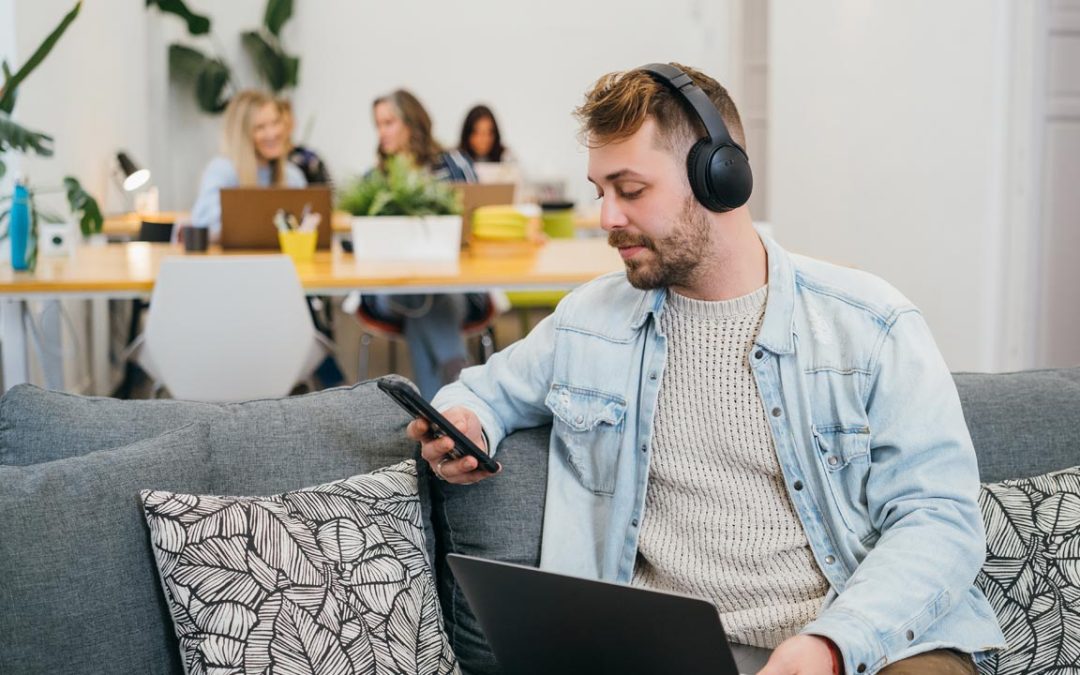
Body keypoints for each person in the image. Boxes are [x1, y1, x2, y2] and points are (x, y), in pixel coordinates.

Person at [409, 63, 1005, 675]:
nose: (607, 218)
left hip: (861, 646)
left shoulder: (871, 326)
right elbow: (483, 392)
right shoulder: (589, 321)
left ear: (720, 177)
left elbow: (940, 519)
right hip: (665, 653)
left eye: (631, 190)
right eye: (600, 192)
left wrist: (831, 644)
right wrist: (468, 420)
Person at [365, 89, 487, 399]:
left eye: (389, 122)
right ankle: (459, 380)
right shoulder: (374, 179)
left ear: (411, 122)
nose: (382, 132)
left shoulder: (454, 165)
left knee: (422, 301)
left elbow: (482, 217)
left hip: (456, 287)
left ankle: (434, 416)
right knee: (419, 291)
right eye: (378, 124)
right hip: (389, 290)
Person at [190, 90, 306, 240]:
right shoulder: (223, 171)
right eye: (260, 127)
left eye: (276, 122)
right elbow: (203, 224)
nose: (272, 133)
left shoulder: (293, 177)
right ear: (243, 134)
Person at [278, 98, 332, 186]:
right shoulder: (262, 163)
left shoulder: (310, 159)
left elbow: (326, 194)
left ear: (293, 124)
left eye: (286, 124)